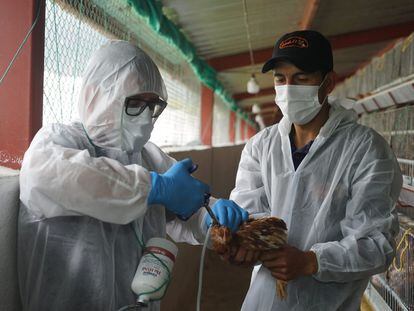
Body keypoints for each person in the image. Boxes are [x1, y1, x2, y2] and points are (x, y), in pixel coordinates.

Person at [18, 40, 247, 311]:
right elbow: (47, 176)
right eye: (135, 102)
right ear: (97, 94)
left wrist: (209, 220)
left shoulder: (149, 156)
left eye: (153, 106)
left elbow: (183, 211)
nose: (147, 117)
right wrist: (152, 188)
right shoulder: (60, 141)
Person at [206, 30, 403, 310]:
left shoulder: (365, 149)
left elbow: (376, 244)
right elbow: (248, 214)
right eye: (280, 79)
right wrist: (242, 246)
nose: (289, 88)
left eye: (302, 78)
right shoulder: (261, 146)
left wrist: (312, 261)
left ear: (328, 83)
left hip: (327, 303)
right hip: (263, 300)